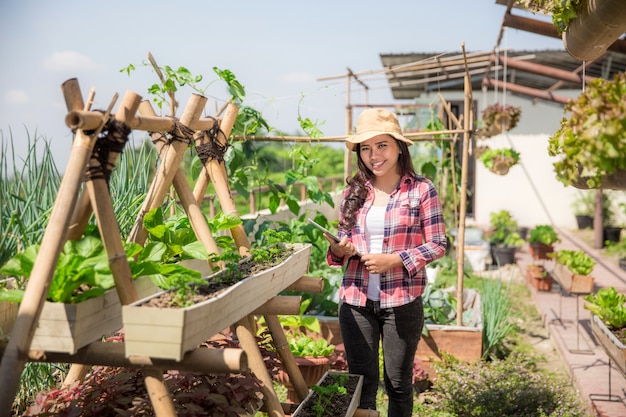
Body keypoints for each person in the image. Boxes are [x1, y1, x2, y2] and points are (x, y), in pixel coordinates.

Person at [324, 108, 447, 416]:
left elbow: (438, 243)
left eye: (382, 145)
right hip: (356, 299)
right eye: (366, 148)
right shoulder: (353, 191)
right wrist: (341, 249)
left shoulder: (421, 189)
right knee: (361, 383)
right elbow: (341, 243)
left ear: (398, 147)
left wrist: (396, 260)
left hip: (402, 302)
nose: (373, 155)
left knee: (398, 383)